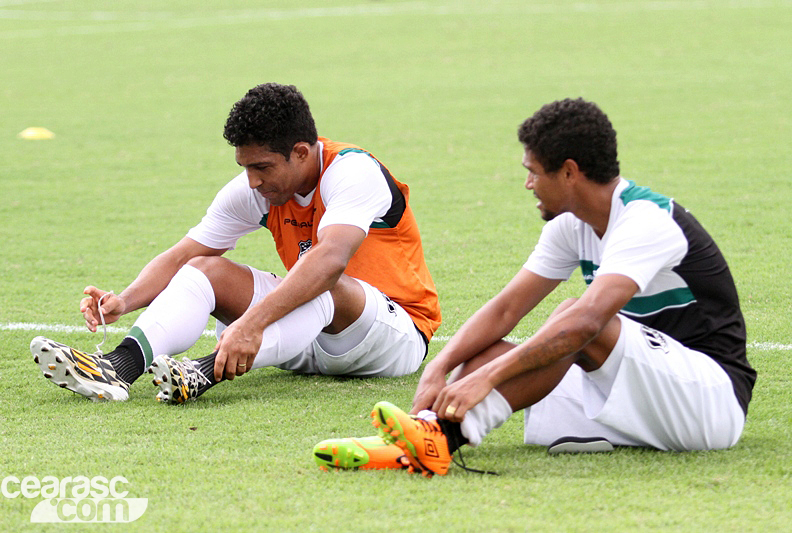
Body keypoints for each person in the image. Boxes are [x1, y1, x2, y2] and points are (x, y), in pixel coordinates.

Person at [313, 98, 756, 476]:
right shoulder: (571, 226)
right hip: (647, 384)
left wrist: (484, 381)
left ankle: (440, 438)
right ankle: (423, 434)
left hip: (708, 400)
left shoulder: (645, 220)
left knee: (573, 318)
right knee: (493, 350)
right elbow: (505, 311)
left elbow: (585, 324)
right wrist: (442, 365)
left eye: (533, 171)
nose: (527, 184)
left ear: (569, 172)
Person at [31, 83, 441, 404]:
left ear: (301, 152)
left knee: (320, 276)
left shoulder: (353, 172)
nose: (253, 182)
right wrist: (125, 301)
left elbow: (331, 261)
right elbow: (183, 254)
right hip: (302, 337)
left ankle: (202, 372)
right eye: (244, 167)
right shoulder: (255, 189)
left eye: (262, 167)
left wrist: (250, 323)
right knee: (203, 270)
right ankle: (118, 367)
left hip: (392, 337)